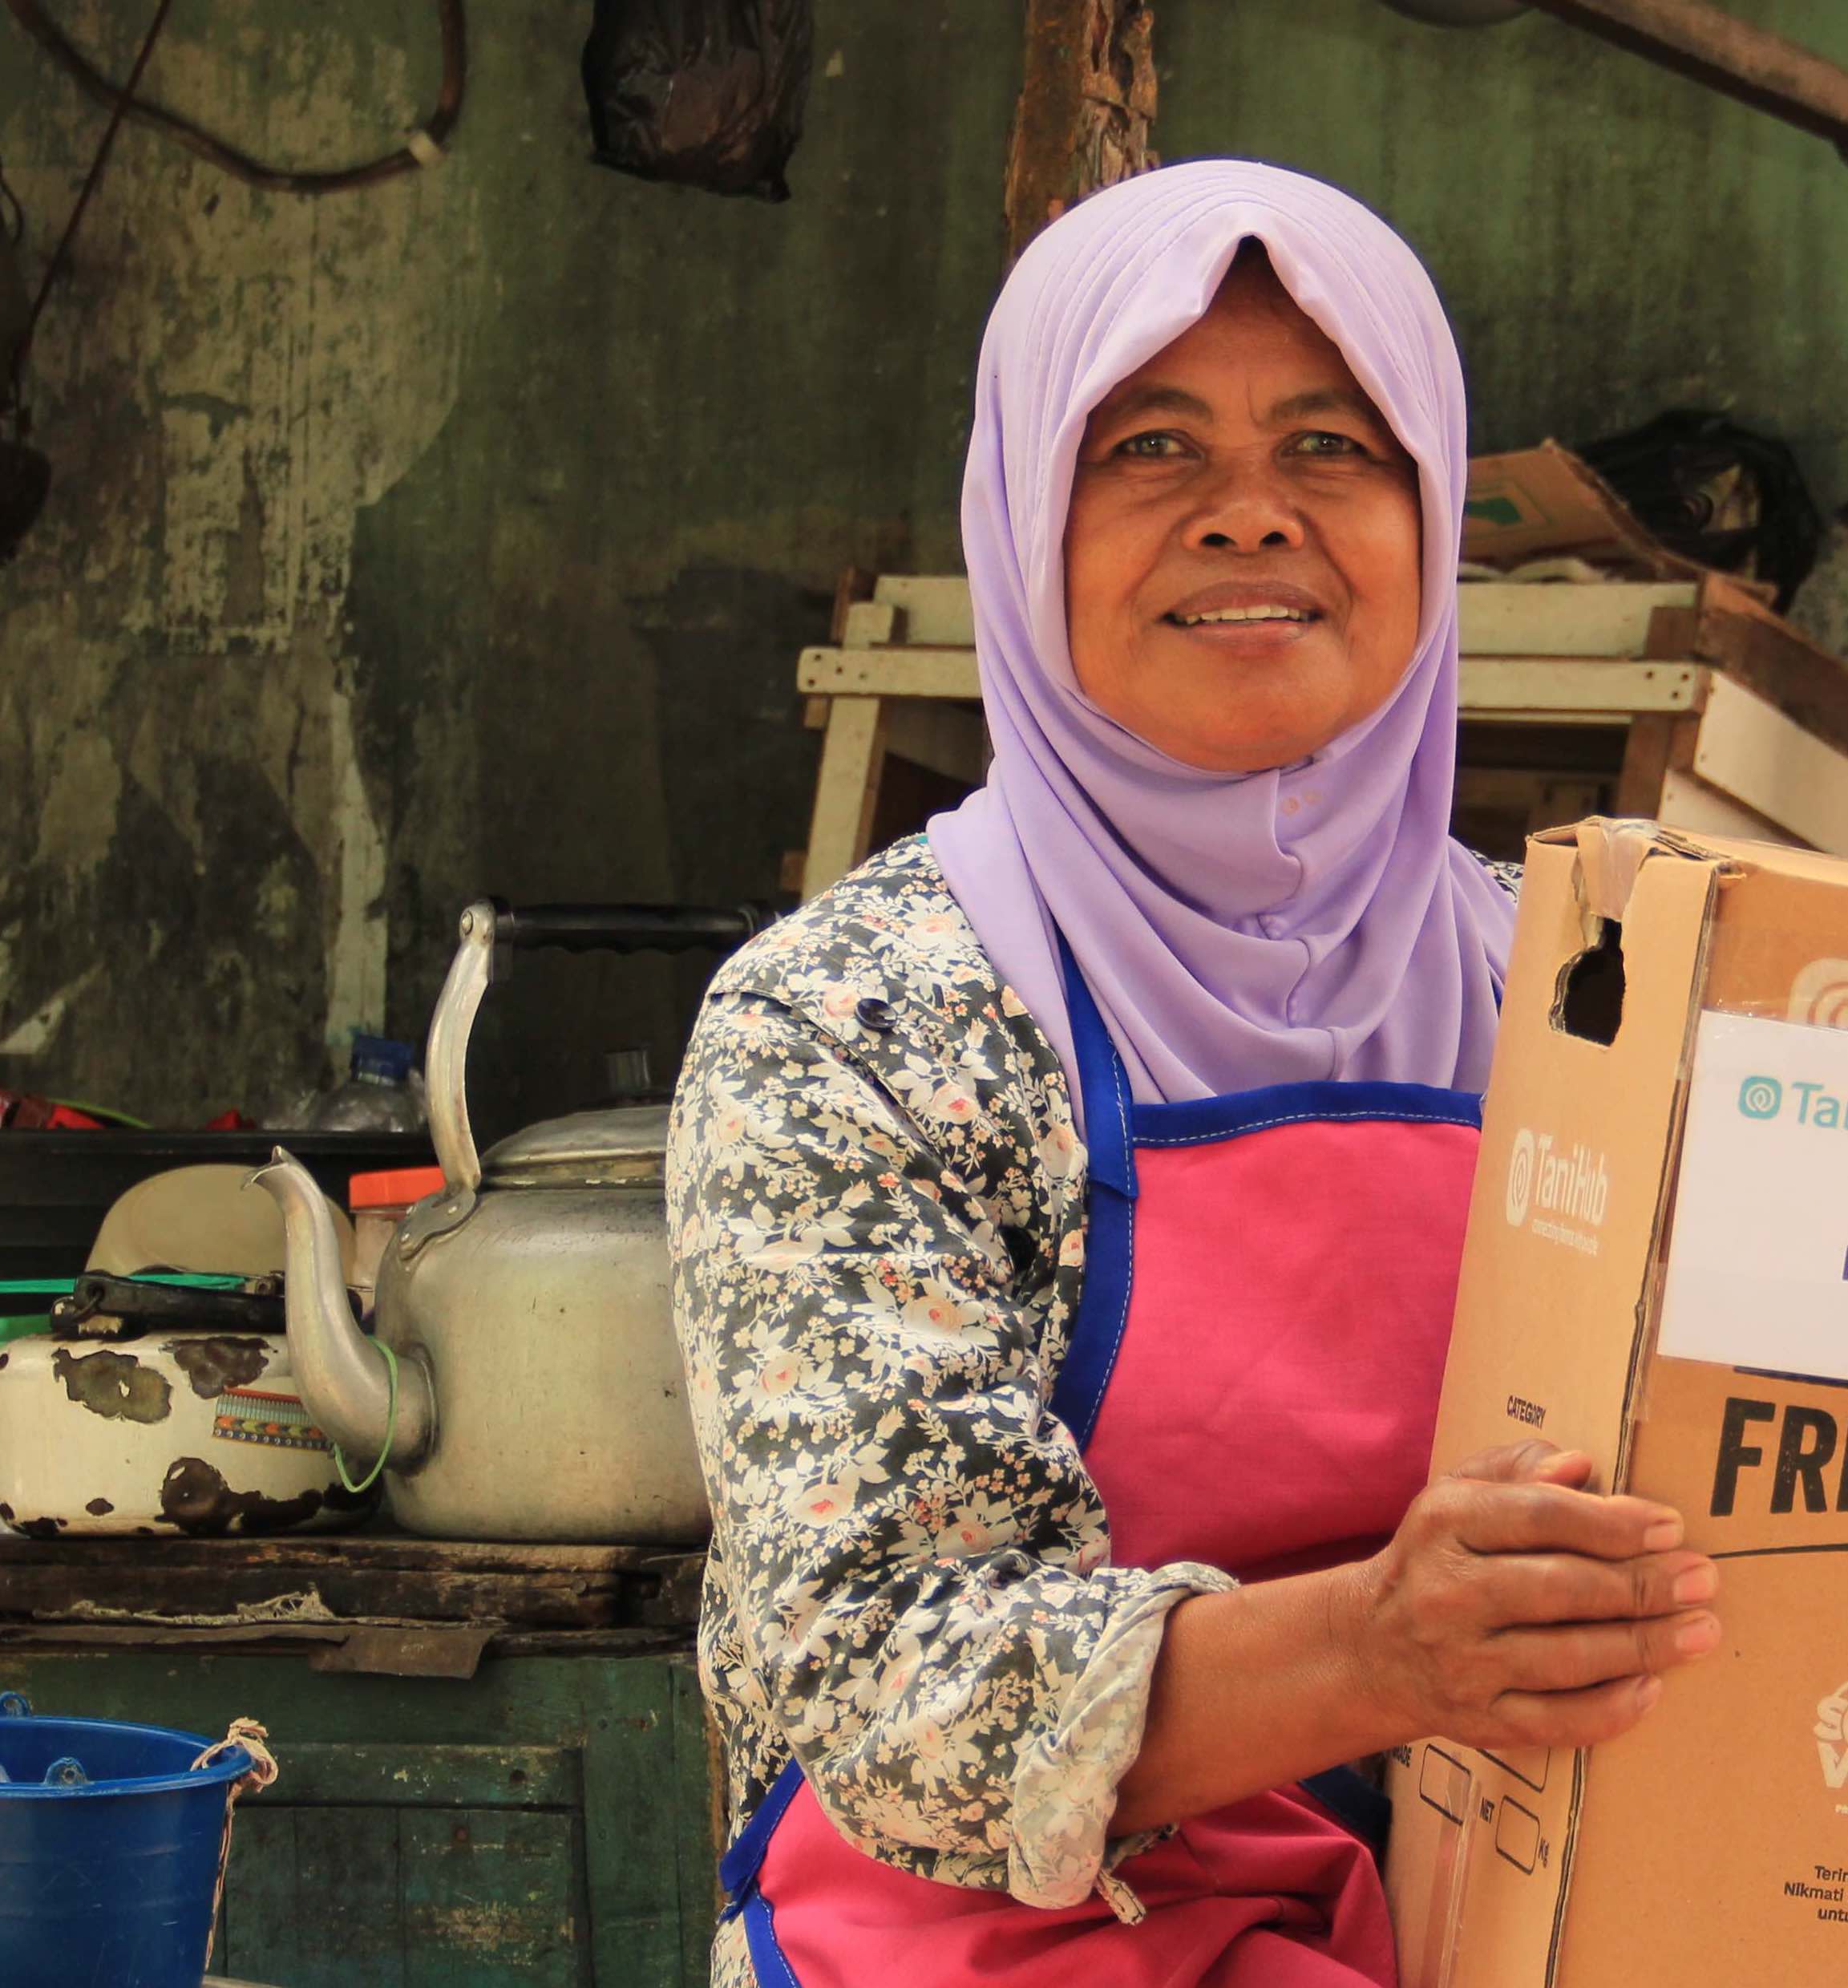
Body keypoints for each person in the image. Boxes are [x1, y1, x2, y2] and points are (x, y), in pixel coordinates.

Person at [665, 160, 1722, 1988]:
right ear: (1021, 519)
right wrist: (1374, 1651)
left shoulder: (1589, 993)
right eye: (1150, 448)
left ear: (1428, 514)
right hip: (1017, 1946)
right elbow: (890, 1675)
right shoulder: (857, 1021)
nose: (1251, 517)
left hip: (1527, 1917)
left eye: (1333, 445)